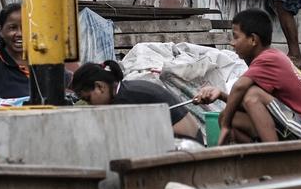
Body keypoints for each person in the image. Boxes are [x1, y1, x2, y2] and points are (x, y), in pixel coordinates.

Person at [193, 9, 301, 144]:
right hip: (298, 125)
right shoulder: (265, 61)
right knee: (227, 116)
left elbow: (240, 88)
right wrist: (221, 95)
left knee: (252, 95)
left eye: (236, 37)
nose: (232, 43)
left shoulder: (269, 58)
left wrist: (226, 127)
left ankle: (270, 156)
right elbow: (246, 104)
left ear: (253, 39)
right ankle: (258, 160)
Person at [71, 60, 203, 141]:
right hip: (188, 140)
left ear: (100, 86)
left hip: (185, 145)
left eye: (88, 99)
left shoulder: (125, 100)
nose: (90, 105)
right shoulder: (127, 89)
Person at [0, 3, 30, 98]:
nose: (19, 34)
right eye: (13, 28)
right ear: (0, 31)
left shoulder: (41, 62)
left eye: (25, 28)